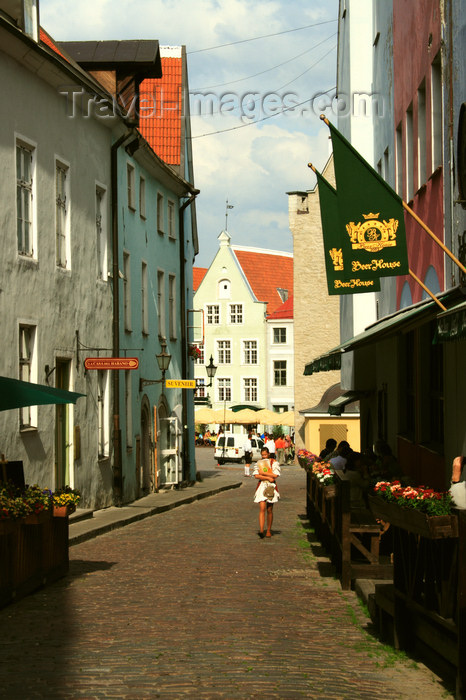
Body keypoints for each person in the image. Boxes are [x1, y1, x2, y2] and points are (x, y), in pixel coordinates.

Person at [253, 447, 280, 538]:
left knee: (269, 509)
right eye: (262, 455)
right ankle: (261, 530)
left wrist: (264, 474)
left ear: (268, 454)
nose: (264, 456)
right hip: (262, 485)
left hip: (271, 486)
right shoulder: (259, 463)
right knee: (262, 508)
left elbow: (275, 475)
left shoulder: (274, 462)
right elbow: (256, 475)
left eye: (265, 454)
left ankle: (268, 530)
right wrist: (267, 477)